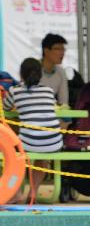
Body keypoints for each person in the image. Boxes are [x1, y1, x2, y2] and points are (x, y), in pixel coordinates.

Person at [2, 57, 64, 201]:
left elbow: (4, 108)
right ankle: (33, 192)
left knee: (15, 157)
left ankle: (16, 193)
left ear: (21, 74)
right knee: (41, 159)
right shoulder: (48, 91)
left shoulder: (15, 91)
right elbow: (53, 106)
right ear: (40, 74)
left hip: (30, 142)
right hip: (53, 141)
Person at [40, 33, 69, 106]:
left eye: (63, 49)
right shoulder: (32, 68)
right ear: (46, 51)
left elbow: (63, 102)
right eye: (57, 49)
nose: (62, 53)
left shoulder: (61, 72)